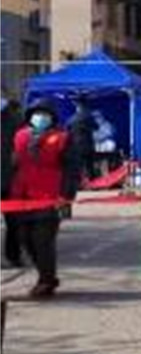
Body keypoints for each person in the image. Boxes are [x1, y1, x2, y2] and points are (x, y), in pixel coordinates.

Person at [10, 98, 80, 297]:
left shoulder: (62, 138)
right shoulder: (20, 136)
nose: (40, 117)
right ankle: (46, 275)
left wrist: (66, 195)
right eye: (36, 113)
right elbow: (13, 164)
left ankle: (46, 280)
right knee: (25, 239)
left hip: (50, 198)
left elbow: (71, 170)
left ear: (52, 118)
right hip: (22, 198)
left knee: (42, 240)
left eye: (45, 114)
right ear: (29, 117)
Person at [1, 98, 22, 268]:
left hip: (10, 179)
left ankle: (14, 255)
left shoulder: (14, 120)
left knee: (14, 221)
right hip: (9, 176)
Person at [66, 96, 98, 181]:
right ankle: (92, 182)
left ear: (77, 107)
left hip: (76, 146)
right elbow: (96, 127)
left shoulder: (72, 119)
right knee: (89, 166)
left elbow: (66, 130)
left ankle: (78, 182)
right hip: (88, 144)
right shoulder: (89, 117)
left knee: (78, 166)